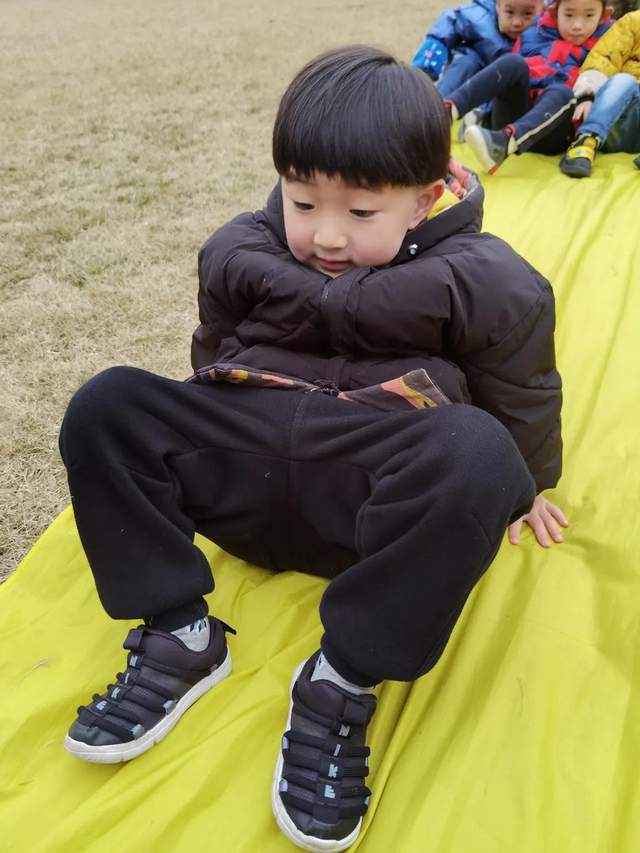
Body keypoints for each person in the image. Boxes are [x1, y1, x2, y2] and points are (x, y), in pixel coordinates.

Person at [58, 46, 567, 852]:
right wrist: (202, 424)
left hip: (369, 506)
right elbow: (213, 348)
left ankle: (341, 679)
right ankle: (181, 632)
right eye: (303, 202)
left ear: (423, 199)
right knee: (106, 403)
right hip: (248, 474)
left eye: (361, 213)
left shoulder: (482, 278)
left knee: (480, 449)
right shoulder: (244, 249)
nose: (326, 236)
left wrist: (529, 482)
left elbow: (521, 387)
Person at [445, 0, 613, 172]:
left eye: (589, 15)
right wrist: (485, 111)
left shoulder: (609, 44)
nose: (577, 25)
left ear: (603, 15)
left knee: (562, 91)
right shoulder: (534, 32)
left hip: (552, 131)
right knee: (513, 61)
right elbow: (506, 77)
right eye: (569, 15)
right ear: (555, 12)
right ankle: (446, 112)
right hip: (515, 113)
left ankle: (501, 146)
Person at [560, 8, 640, 175]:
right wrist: (587, 95)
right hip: (623, 120)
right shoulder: (634, 22)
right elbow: (602, 61)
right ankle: (587, 139)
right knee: (624, 80)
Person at [412, 0, 543, 95]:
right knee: (466, 62)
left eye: (527, 14)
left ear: (543, 8)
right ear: (498, 5)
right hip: (476, 73)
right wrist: (426, 65)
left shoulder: (546, 32)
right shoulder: (481, 18)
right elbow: (448, 24)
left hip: (512, 93)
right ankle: (438, 107)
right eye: (510, 12)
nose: (517, 22)